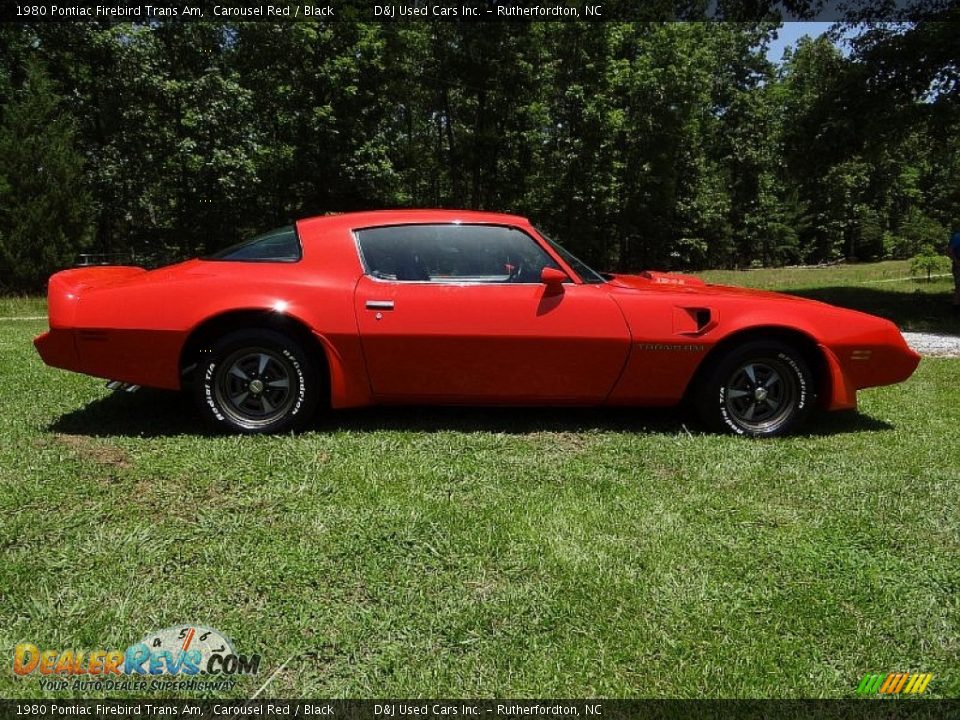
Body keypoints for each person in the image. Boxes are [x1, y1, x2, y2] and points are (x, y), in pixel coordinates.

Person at [950, 230, 960, 308]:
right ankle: (956, 306)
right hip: (958, 264)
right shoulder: (957, 237)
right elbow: (950, 250)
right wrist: (956, 261)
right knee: (959, 286)